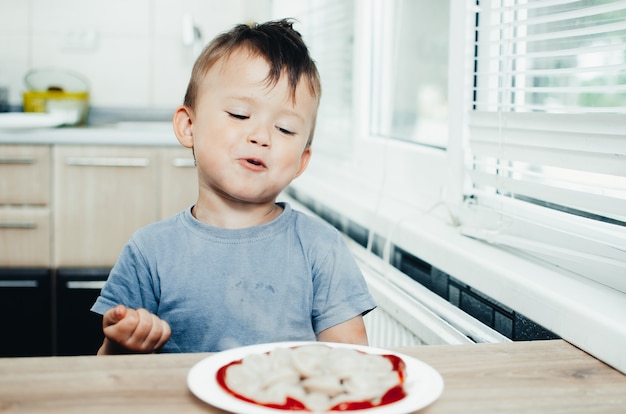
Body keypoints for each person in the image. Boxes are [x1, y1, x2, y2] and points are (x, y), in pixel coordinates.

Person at [90, 18, 376, 355]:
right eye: (240, 114)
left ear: (301, 161)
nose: (261, 136)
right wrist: (124, 344)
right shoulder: (149, 252)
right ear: (188, 127)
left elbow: (353, 363)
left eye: (284, 129)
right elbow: (107, 371)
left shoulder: (321, 249)